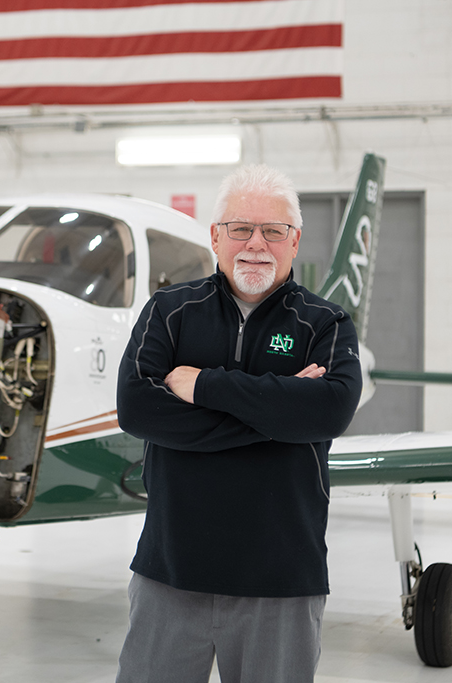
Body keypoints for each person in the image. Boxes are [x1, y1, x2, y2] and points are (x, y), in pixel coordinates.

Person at [114, 164, 363, 683]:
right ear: (215, 236)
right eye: (240, 229)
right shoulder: (168, 312)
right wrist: (280, 415)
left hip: (281, 579)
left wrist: (204, 386)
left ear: (294, 241)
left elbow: (331, 411)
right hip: (170, 571)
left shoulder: (327, 324)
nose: (256, 244)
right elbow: (138, 408)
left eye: (274, 231)